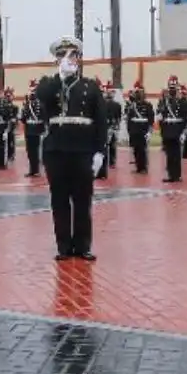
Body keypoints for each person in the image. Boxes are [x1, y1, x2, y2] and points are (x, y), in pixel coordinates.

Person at [33, 36, 109, 260]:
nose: (68, 59)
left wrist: (99, 152)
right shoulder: (49, 83)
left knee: (82, 200)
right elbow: (41, 96)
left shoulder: (90, 86)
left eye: (72, 55)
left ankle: (83, 246)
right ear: (57, 59)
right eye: (62, 55)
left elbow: (101, 121)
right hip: (56, 151)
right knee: (59, 199)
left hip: (83, 150)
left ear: (79, 59)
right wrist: (60, 77)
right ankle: (63, 246)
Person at [157, 78, 187, 182]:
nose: (172, 90)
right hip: (167, 130)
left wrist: (184, 132)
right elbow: (161, 117)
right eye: (171, 88)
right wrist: (162, 130)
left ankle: (177, 175)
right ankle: (171, 175)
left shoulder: (182, 102)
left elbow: (186, 118)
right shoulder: (163, 102)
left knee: (176, 154)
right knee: (169, 155)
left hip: (177, 130)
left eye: (174, 88)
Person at [124, 85, 154, 175]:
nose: (138, 95)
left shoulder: (148, 105)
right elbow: (129, 119)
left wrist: (149, 131)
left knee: (142, 150)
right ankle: (138, 167)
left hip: (143, 130)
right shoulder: (132, 106)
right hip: (134, 130)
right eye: (137, 93)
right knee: (135, 150)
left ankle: (143, 168)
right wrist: (129, 130)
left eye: (140, 93)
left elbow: (151, 119)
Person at [20, 80, 44, 177]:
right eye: (31, 91)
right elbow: (23, 118)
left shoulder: (41, 104)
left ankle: (36, 170)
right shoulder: (27, 104)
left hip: (36, 130)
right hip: (29, 129)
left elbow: (44, 117)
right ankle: (32, 170)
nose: (31, 93)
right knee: (30, 152)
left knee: (36, 151)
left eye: (33, 91)